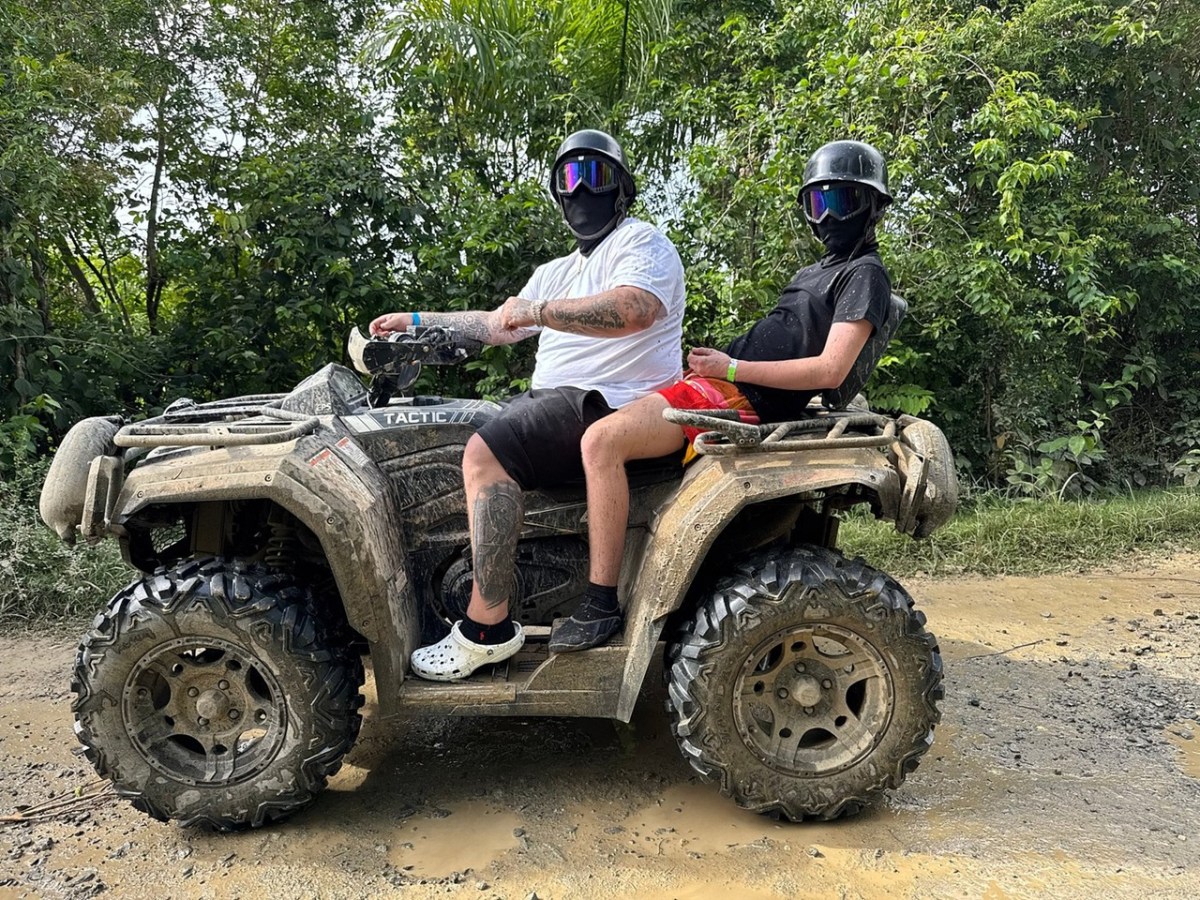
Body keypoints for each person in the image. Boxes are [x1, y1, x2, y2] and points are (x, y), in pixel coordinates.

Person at [555, 139, 896, 652]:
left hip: (737, 400)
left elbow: (830, 369)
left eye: (841, 201)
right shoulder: (817, 271)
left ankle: (601, 602)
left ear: (871, 207)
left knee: (602, 442)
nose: (826, 216)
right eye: (816, 203)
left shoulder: (864, 273)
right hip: (716, 386)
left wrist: (732, 367)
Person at [369, 129, 686, 681]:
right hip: (560, 400)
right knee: (463, 427)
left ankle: (485, 627)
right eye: (570, 176)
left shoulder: (641, 242)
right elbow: (496, 325)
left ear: (621, 188)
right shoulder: (556, 271)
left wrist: (538, 312)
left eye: (596, 174)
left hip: (612, 402)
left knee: (483, 454)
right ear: (557, 193)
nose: (582, 188)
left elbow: (635, 309)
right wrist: (418, 322)